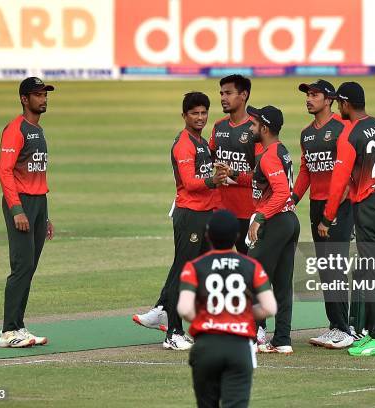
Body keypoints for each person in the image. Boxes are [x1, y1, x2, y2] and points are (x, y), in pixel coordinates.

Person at [133, 92, 226, 350]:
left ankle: (175, 315)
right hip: (190, 215)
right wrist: (212, 181)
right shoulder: (184, 143)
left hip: (206, 213)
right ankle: (173, 333)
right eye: (194, 113)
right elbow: (189, 183)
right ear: (184, 115)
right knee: (184, 272)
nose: (199, 117)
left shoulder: (201, 141)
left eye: (203, 113)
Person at [318, 82, 375, 357]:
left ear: (345, 104)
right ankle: (374, 334)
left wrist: (327, 218)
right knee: (372, 271)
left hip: (370, 207)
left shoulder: (349, 134)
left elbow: (339, 182)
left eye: (340, 103)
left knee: (373, 274)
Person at [178, 210, 277, 408]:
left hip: (206, 347)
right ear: (237, 236)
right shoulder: (252, 266)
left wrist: (209, 317)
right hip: (239, 347)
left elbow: (184, 309)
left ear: (208, 236)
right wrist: (241, 314)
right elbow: (269, 307)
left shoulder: (194, 266)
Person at [223, 105, 300, 354]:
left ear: (264, 128)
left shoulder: (269, 155)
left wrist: (260, 217)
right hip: (289, 221)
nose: (250, 127)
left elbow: (281, 191)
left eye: (254, 124)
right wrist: (234, 173)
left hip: (275, 221)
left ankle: (251, 336)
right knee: (281, 283)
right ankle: (282, 339)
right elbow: (260, 179)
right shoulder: (278, 151)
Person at [293, 79, 354, 349]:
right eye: (307, 94)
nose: (309, 98)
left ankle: (343, 328)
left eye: (315, 95)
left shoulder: (343, 129)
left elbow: (349, 174)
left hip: (340, 205)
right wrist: (291, 199)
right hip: (317, 205)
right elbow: (306, 170)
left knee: (335, 266)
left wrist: (333, 211)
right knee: (326, 268)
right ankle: (337, 325)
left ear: (329, 100)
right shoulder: (306, 133)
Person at [0, 77, 55, 348]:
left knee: (29, 268)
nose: (43, 99)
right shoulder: (15, 129)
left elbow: (37, 174)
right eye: (37, 95)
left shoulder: (38, 130)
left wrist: (45, 216)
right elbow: (5, 170)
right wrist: (16, 209)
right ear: (24, 99)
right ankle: (8, 332)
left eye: (45, 94)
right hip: (20, 203)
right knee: (21, 266)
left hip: (37, 204)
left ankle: (19, 326)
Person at [209, 75, 262, 255]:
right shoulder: (218, 127)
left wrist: (234, 173)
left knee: (251, 267)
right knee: (217, 264)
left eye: (229, 93)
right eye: (222, 93)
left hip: (247, 210)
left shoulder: (256, 129)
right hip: (220, 209)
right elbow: (207, 161)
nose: (223, 98)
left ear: (244, 95)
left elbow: (261, 175)